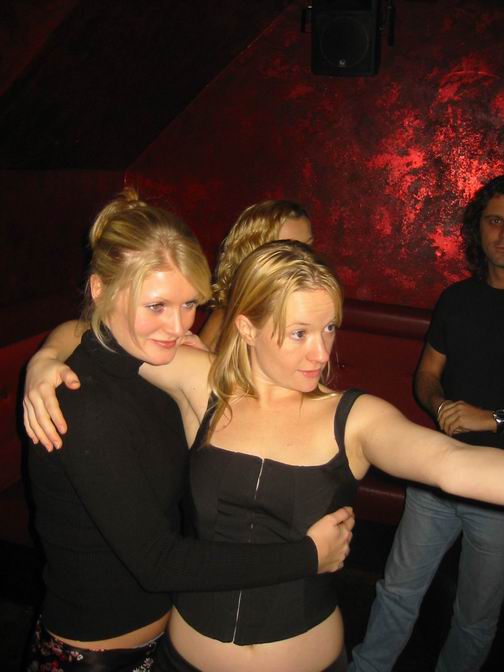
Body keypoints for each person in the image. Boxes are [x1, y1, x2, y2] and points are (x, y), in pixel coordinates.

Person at [24, 240, 504, 672]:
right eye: (298, 333)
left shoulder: (355, 418)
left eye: (329, 328)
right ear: (247, 328)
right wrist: (44, 360)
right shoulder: (201, 383)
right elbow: (100, 330)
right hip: (181, 660)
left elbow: (452, 464)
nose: (321, 353)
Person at [21, 192, 353, 672]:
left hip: (161, 640)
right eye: (157, 305)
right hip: (94, 657)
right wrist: (308, 556)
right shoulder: (82, 403)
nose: (177, 326)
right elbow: (158, 563)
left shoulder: (152, 367)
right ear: (100, 289)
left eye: (189, 303)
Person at [350, 174, 504, 672]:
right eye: (495, 221)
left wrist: (493, 418)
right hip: (435, 471)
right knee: (396, 591)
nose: (503, 233)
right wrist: (438, 405)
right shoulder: (457, 299)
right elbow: (426, 374)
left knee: (474, 619)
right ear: (478, 229)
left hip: (498, 490)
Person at [199, 199, 313, 349]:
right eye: (288, 251)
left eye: (308, 247)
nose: (305, 259)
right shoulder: (230, 319)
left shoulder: (304, 304)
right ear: (255, 255)